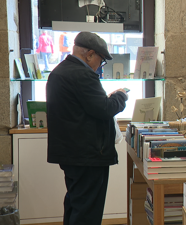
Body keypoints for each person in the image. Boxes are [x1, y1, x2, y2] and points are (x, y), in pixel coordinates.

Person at [46, 31, 129, 225]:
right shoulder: (83, 75)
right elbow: (105, 109)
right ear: (90, 54)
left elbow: (84, 109)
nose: (100, 66)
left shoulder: (59, 71)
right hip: (88, 156)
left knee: (76, 204)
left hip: (72, 154)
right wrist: (121, 96)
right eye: (101, 60)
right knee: (88, 212)